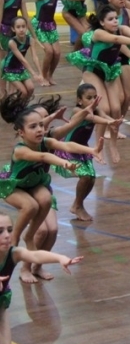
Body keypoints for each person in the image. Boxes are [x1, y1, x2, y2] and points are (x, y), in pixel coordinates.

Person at [0, 94, 100, 282]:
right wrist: (64, 163)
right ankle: (20, 251)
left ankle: (37, 266)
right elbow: (44, 158)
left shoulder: (49, 138)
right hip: (18, 186)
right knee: (36, 220)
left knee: (51, 230)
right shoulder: (22, 149)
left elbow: (68, 141)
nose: (40, 128)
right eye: (35, 125)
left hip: (38, 185)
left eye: (42, 123)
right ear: (21, 131)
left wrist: (91, 149)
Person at [65, 5, 130, 163]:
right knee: (104, 107)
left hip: (110, 71)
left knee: (116, 108)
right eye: (110, 19)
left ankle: (112, 144)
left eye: (116, 18)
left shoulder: (119, 28)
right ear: (101, 22)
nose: (115, 21)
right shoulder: (99, 33)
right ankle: (97, 147)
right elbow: (117, 40)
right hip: (93, 70)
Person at [0, 210, 83, 344]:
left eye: (9, 230)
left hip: (1, 303)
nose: (7, 235)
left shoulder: (13, 253)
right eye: (0, 231)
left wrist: (60, 258)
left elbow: (35, 255)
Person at [54, 83, 121, 221]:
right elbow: (92, 118)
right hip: (69, 149)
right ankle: (77, 206)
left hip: (83, 150)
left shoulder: (96, 109)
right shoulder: (77, 111)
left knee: (91, 178)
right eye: (89, 98)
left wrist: (113, 121)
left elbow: (104, 115)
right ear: (80, 100)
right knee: (84, 177)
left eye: (95, 97)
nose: (92, 101)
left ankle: (78, 205)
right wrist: (108, 123)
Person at [0, 0, 39, 98]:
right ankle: (2, 91)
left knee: (13, 62)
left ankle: (11, 93)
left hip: (15, 33)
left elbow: (26, 17)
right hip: (3, 34)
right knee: (3, 63)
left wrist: (34, 35)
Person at [0, 17, 44, 98]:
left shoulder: (30, 40)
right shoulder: (12, 42)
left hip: (20, 67)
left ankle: (22, 106)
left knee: (30, 88)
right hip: (9, 69)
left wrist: (40, 73)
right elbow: (22, 60)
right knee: (23, 92)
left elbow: (35, 57)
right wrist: (34, 74)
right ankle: (15, 107)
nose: (21, 29)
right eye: (18, 27)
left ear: (27, 27)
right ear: (13, 29)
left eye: (23, 26)